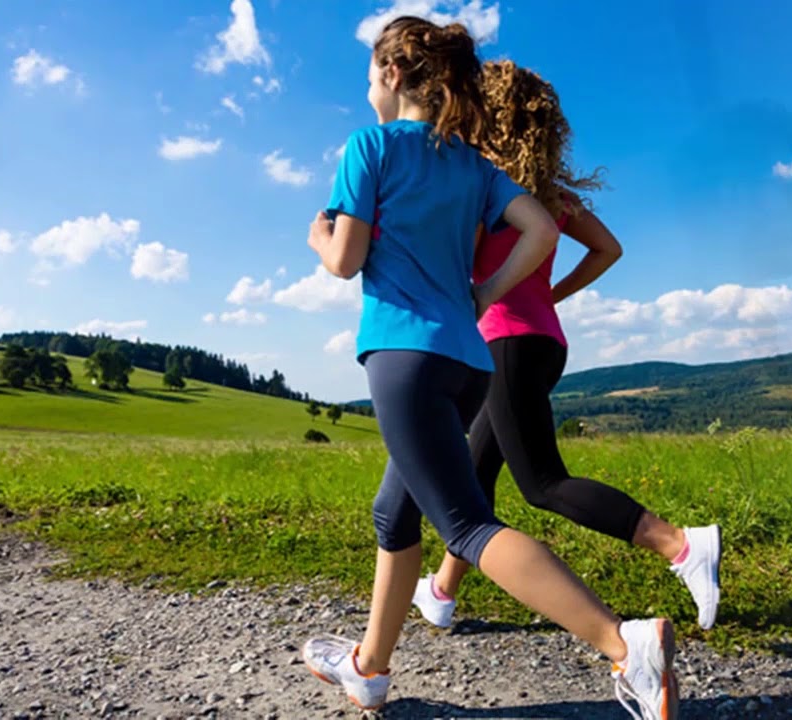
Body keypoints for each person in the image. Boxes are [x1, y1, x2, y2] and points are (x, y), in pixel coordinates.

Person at [298, 17, 678, 720]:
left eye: (369, 74)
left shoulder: (370, 147)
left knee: (467, 525)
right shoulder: (474, 166)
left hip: (403, 357)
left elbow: (346, 261)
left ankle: (625, 646)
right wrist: (485, 293)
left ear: (390, 75)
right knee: (394, 510)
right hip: (469, 361)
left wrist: (319, 233)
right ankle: (369, 669)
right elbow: (540, 229)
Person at [409, 60, 722, 634]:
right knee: (475, 479)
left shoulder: (483, 189)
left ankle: (680, 545)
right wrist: (550, 293)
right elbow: (608, 249)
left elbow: (456, 269)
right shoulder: (548, 195)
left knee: (543, 483)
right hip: (543, 343)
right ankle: (441, 592)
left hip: (503, 345)